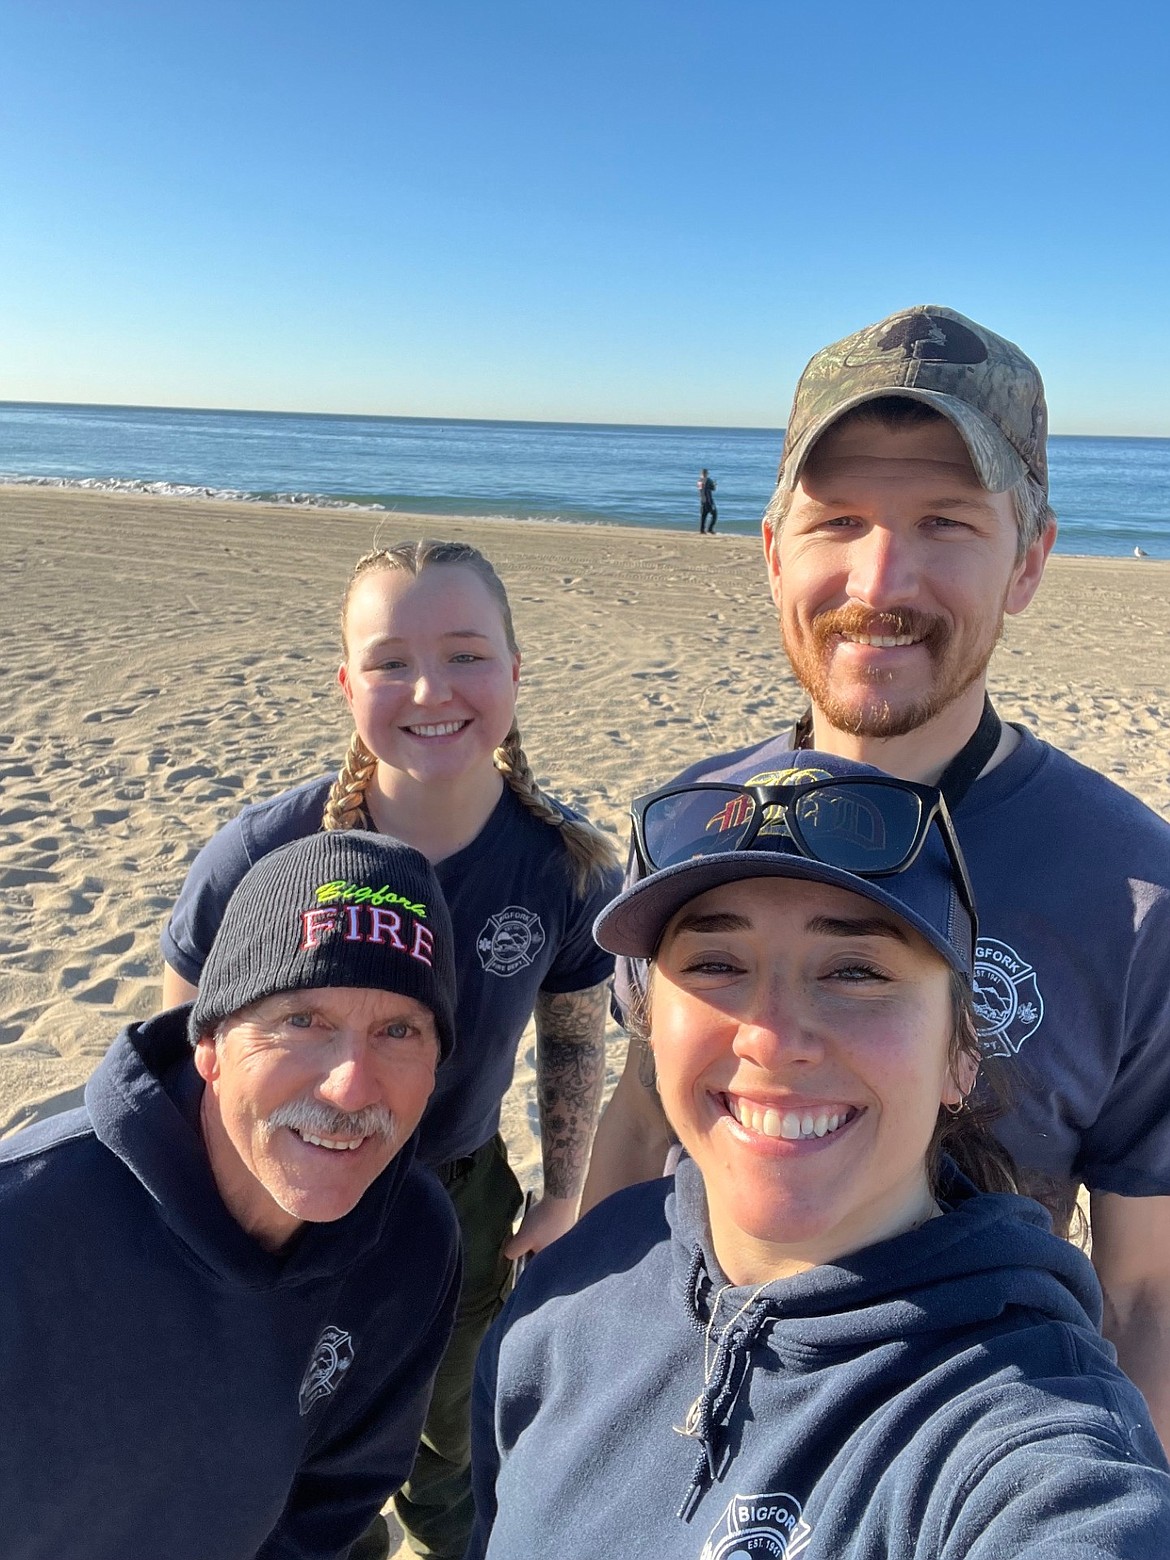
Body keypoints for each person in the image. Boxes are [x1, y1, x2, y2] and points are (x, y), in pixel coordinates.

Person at [583, 306, 1170, 1445]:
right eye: (838, 520)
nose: (880, 576)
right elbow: (643, 1115)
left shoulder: (1137, 896)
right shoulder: (694, 827)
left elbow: (1146, 1293)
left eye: (946, 521)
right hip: (697, 1415)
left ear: (1030, 559)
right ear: (771, 553)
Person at [468, 753, 1170, 1558]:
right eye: (716, 965)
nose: (772, 1038)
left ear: (958, 1056)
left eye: (855, 970)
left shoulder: (1021, 1440)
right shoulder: (577, 1286)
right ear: (652, 1025)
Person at [160, 538, 621, 1560]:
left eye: (466, 654)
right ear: (346, 684)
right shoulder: (264, 856)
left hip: (459, 1195)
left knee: (451, 1432)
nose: (430, 689)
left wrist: (562, 1189)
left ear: (513, 672)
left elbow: (573, 1037)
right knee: (289, 1428)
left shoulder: (562, 863)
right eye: (389, 662)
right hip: (279, 1196)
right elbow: (174, 1045)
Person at [0, 829, 462, 1560]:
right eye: (301, 1021)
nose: (350, 1085)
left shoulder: (411, 1240)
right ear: (209, 1044)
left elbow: (336, 1492)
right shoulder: (23, 1223)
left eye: (398, 1030)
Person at [697, 468, 717, 532]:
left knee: (703, 516)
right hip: (709, 500)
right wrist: (714, 484)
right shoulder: (708, 480)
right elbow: (713, 489)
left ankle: (702, 529)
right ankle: (710, 529)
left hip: (703, 500)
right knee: (714, 515)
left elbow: (701, 491)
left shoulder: (699, 481)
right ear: (706, 474)